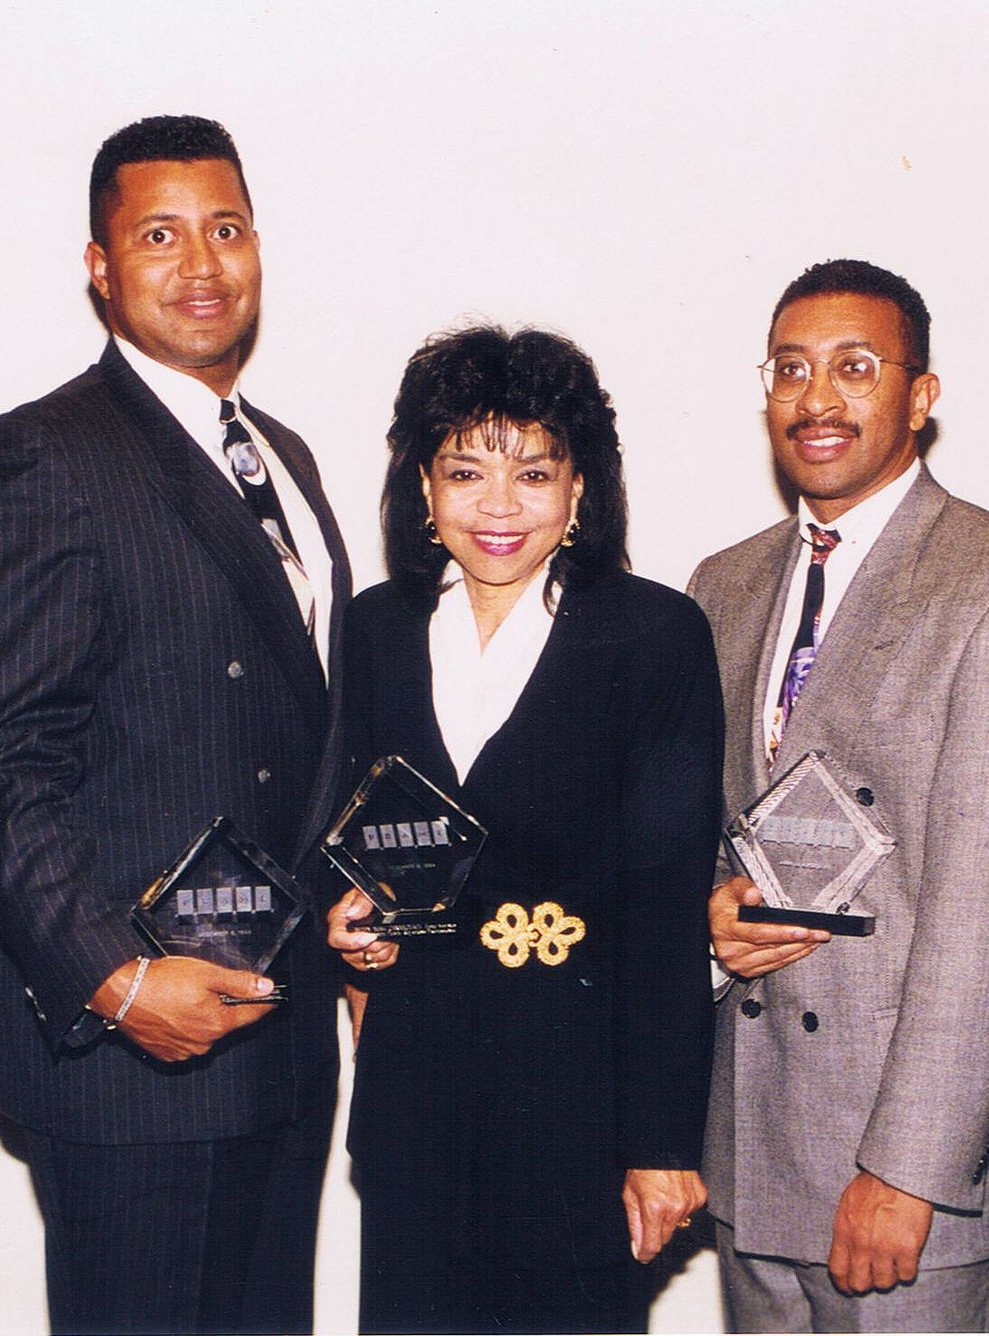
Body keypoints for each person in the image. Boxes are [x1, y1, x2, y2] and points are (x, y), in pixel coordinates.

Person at [0, 115, 349, 1334]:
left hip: (278, 1046)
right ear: (99, 266)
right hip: (135, 1063)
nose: (203, 263)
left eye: (225, 228)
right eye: (159, 234)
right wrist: (114, 979)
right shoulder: (42, 456)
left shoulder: (285, 456)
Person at [692, 259, 989, 1331]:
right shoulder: (721, 585)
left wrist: (908, 1171)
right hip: (751, 1150)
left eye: (855, 367)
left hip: (905, 1179)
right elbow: (698, 830)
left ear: (921, 396)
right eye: (791, 369)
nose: (816, 398)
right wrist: (709, 905)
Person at [325, 325, 721, 1334]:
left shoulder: (656, 635)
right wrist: (346, 933)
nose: (498, 506)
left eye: (533, 473)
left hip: (577, 1106)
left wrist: (661, 1140)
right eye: (466, 471)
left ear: (580, 488)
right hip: (417, 1097)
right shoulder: (372, 631)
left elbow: (668, 908)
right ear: (423, 487)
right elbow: (340, 837)